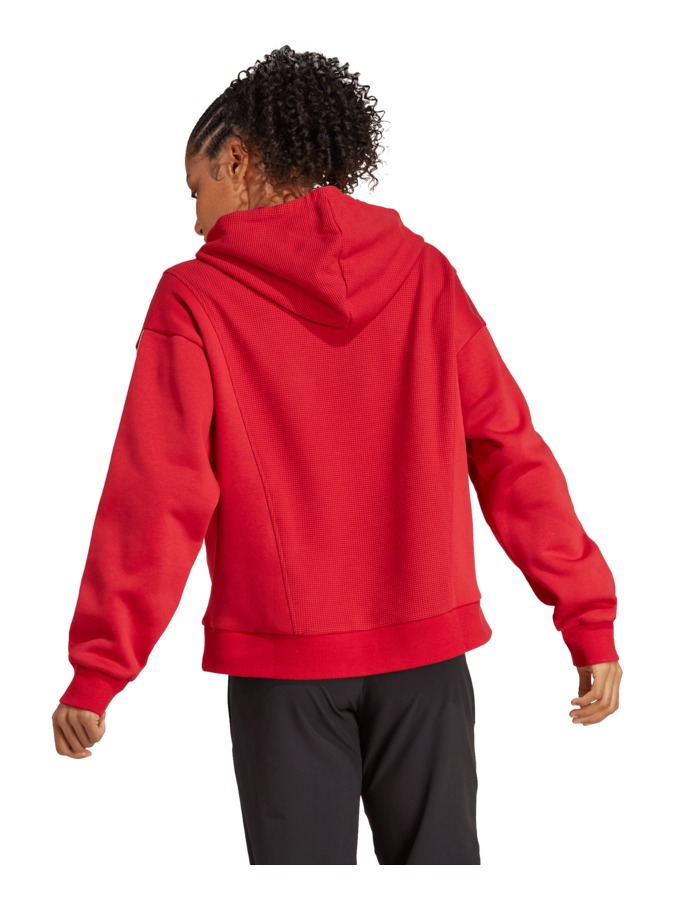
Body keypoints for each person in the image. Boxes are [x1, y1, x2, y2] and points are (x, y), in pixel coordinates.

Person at [52, 45, 622, 864]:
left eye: (197, 190)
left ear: (237, 160)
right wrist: (586, 617)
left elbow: (156, 496)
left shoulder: (194, 296)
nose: (196, 219)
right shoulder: (423, 273)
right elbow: (510, 452)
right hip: (427, 665)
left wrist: (100, 669)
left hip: (283, 674)